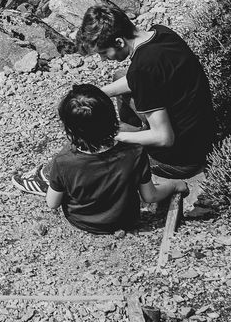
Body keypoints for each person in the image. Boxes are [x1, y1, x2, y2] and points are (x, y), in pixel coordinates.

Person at [15, 4, 216, 194]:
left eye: (103, 53)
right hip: (198, 134)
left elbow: (164, 138)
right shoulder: (161, 34)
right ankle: (133, 129)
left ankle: (49, 178)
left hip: (179, 159)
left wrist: (113, 137)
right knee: (120, 76)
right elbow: (134, 79)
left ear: (119, 41)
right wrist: (97, 95)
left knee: (90, 133)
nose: (103, 59)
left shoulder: (144, 68)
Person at [44, 85, 187, 234]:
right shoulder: (135, 152)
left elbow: (52, 203)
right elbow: (150, 196)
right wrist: (175, 185)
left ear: (70, 129)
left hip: (81, 221)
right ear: (112, 118)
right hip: (126, 220)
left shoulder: (63, 161)